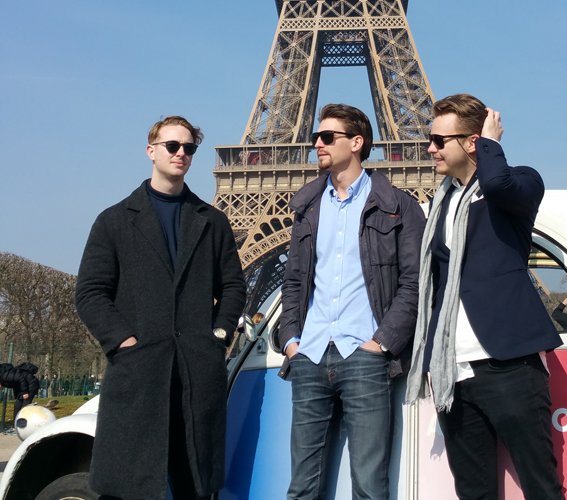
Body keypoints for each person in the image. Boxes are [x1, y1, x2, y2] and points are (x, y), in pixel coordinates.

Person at [75, 116, 245, 500]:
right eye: (172, 146)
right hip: (139, 371)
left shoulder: (213, 222)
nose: (181, 153)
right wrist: (122, 342)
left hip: (195, 371)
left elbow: (233, 285)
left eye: (189, 148)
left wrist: (217, 335)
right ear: (151, 150)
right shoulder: (114, 221)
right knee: (127, 487)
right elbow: (89, 291)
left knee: (195, 486)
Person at [406, 94, 564, 499]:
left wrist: (492, 144)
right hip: (453, 374)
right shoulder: (440, 203)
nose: (430, 148)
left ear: (471, 142)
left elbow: (497, 182)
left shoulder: (519, 182)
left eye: (440, 141)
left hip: (508, 364)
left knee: (540, 488)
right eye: (431, 139)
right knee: (474, 492)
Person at [279, 103, 425, 499]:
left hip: (365, 355)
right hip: (309, 353)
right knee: (301, 487)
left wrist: (382, 343)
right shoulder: (306, 206)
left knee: (369, 486)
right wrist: (291, 340)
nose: (317, 143)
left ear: (356, 143)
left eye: (328, 137)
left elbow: (414, 281)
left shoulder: (398, 205)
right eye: (316, 137)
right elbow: (294, 279)